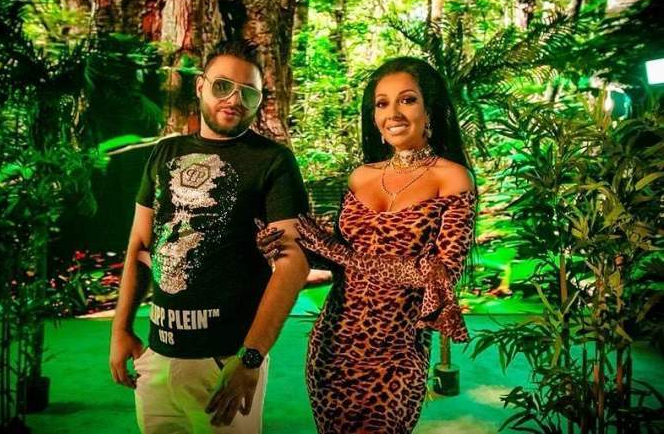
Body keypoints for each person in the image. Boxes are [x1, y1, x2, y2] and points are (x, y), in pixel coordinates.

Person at [257, 57, 478, 434]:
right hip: (332, 346)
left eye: (407, 100)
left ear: (430, 109)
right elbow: (338, 263)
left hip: (396, 353)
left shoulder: (453, 178)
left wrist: (340, 252)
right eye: (382, 103)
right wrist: (279, 248)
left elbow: (439, 274)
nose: (393, 113)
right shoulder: (360, 177)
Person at [109, 40, 310, 434]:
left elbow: (295, 262)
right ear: (200, 85)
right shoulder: (164, 153)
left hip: (223, 362)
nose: (234, 100)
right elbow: (140, 246)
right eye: (222, 86)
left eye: (248, 93)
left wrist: (251, 357)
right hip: (156, 357)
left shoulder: (272, 161)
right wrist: (121, 328)